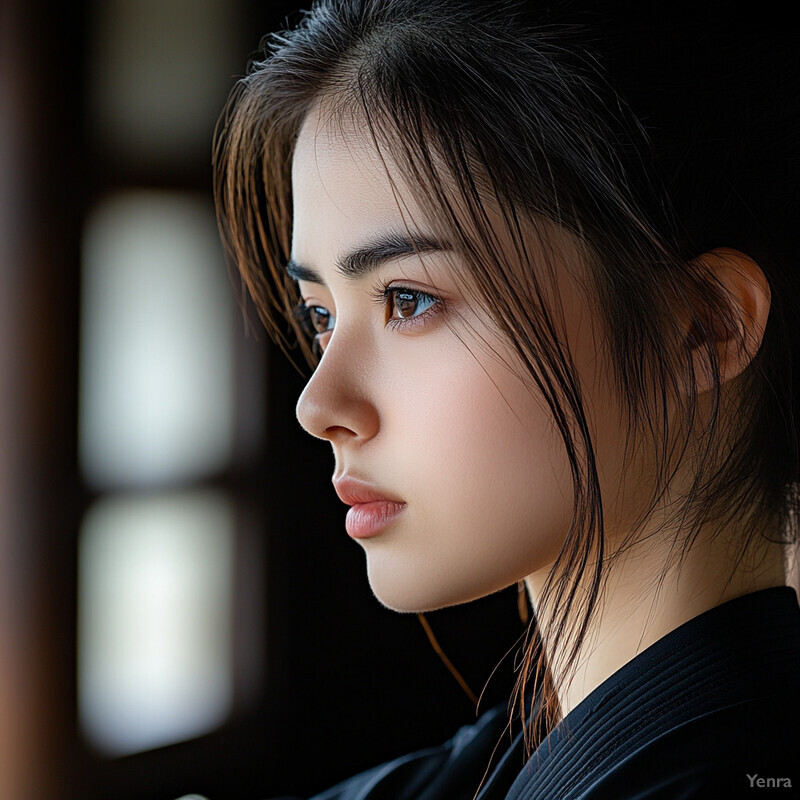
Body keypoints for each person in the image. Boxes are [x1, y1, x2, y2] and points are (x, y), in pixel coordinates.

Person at [213, 2, 800, 797]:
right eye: (322, 315)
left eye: (408, 300)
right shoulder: (520, 759)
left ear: (704, 326)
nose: (318, 406)